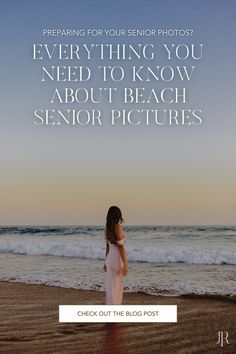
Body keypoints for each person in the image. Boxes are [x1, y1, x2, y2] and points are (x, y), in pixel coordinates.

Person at [104, 206, 128, 305]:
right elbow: (121, 247)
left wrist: (105, 262)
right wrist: (125, 264)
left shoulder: (107, 228)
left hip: (110, 259)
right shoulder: (117, 227)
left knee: (111, 286)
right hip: (116, 260)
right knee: (117, 286)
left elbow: (107, 246)